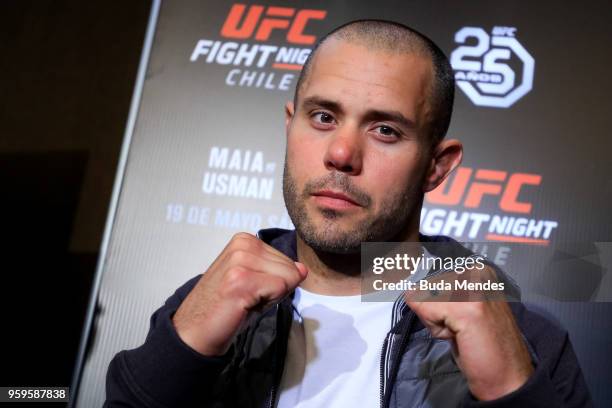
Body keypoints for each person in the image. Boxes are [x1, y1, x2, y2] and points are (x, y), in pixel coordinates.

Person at [104, 20, 592, 407]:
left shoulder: (529, 341)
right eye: (323, 117)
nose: (341, 153)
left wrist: (512, 391)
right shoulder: (201, 304)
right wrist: (179, 353)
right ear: (290, 127)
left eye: (384, 130)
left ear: (436, 167)